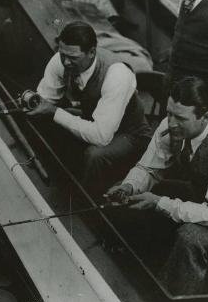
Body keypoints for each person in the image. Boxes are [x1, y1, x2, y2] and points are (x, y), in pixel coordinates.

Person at [106, 76, 208, 295]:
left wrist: (160, 203)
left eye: (180, 118)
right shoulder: (171, 126)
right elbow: (149, 169)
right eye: (169, 113)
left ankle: (174, 298)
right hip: (206, 197)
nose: (171, 123)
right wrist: (129, 186)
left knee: (189, 237)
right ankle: (144, 265)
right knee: (144, 190)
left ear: (206, 117)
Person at [28, 21, 152, 196]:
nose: (66, 62)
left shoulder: (117, 74)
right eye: (62, 55)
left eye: (73, 58)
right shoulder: (62, 60)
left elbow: (101, 137)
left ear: (92, 52)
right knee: (46, 118)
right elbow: (44, 101)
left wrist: (54, 112)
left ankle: (86, 200)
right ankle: (52, 177)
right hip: (94, 120)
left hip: (131, 134)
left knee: (94, 155)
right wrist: (36, 105)